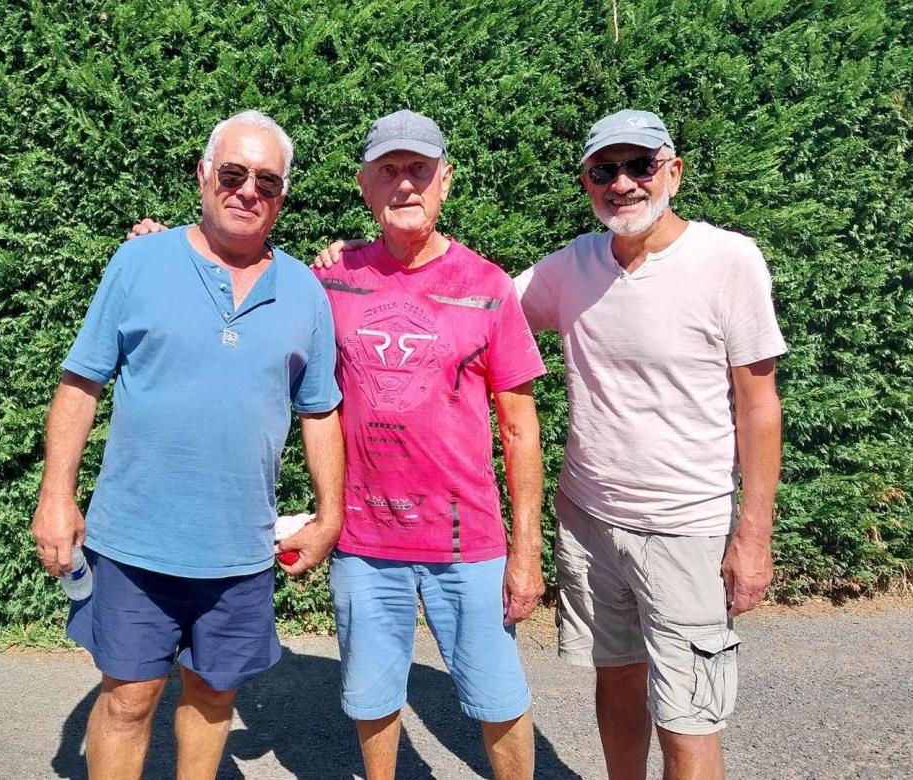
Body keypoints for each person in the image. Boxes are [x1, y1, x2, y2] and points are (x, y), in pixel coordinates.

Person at [319, 107, 785, 780]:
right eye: (604, 171)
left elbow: (759, 405)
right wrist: (337, 258)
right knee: (616, 683)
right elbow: (463, 311)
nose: (622, 183)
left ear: (673, 172)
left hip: (685, 523)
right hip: (591, 519)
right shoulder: (573, 266)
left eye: (639, 166)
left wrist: (754, 532)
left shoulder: (728, 260)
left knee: (687, 715)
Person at [129, 109, 548, 780]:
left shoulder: (488, 286)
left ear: (445, 181)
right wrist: (168, 249)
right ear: (363, 185)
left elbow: (521, 430)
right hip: (364, 539)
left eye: (419, 170)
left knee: (498, 699)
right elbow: (242, 285)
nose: (404, 184)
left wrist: (526, 551)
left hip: (465, 540)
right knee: (372, 700)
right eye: (389, 170)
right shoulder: (330, 277)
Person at [31, 110, 346, 780]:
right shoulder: (140, 261)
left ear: (282, 195)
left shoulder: (304, 291)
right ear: (204, 175)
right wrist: (56, 496)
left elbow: (320, 410)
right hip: (134, 543)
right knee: (128, 699)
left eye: (266, 181)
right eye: (232, 174)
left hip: (239, 549)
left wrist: (330, 516)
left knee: (212, 698)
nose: (247, 191)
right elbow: (81, 383)